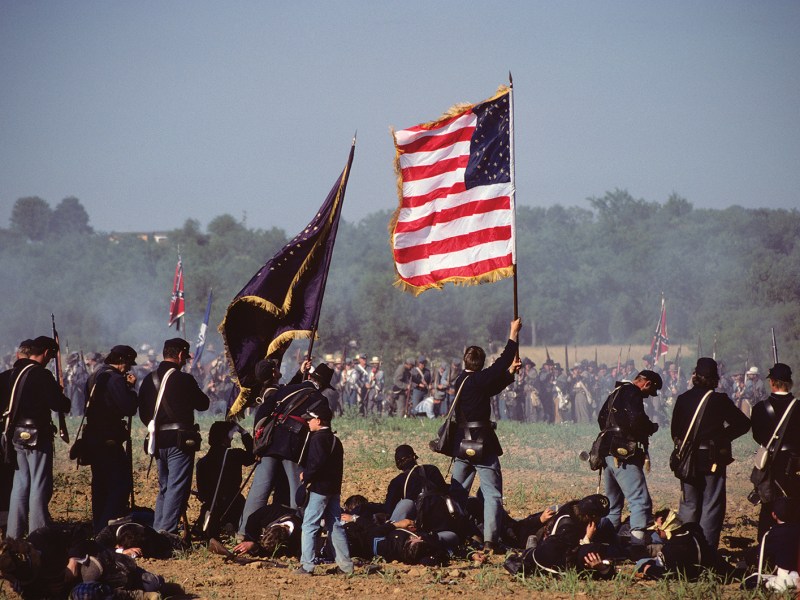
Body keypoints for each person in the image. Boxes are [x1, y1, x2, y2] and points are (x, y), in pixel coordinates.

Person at [448, 318, 522, 553]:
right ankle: (490, 540)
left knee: (457, 492)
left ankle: (454, 533)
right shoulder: (478, 379)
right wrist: (513, 334)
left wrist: (510, 373)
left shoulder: (464, 380)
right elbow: (499, 364)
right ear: (481, 364)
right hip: (482, 442)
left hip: (462, 443)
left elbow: (490, 388)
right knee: (492, 494)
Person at [236, 361, 328, 541]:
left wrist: (258, 443)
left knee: (259, 490)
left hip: (270, 444)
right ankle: (299, 532)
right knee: (297, 493)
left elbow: (263, 412)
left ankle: (244, 533)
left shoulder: (287, 390)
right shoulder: (319, 398)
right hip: (293, 446)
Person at [670, 357, 751, 551]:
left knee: (689, 504)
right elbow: (743, 424)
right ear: (715, 378)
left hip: (688, 459)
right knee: (711, 505)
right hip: (712, 458)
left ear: (695, 376)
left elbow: (675, 431)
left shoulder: (683, 399)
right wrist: (721, 437)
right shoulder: (720, 400)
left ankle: (686, 549)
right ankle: (705, 552)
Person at [2, 337, 71, 540]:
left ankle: (13, 535)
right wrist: (59, 393)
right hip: (37, 435)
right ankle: (37, 534)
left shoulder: (14, 373)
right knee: (39, 484)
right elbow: (60, 405)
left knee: (20, 483)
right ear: (47, 352)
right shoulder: (41, 374)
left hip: (16, 434)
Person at [138, 338, 209, 534]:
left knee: (165, 486)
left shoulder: (148, 379)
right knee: (176, 487)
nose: (185, 361)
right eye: (184, 357)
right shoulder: (184, 379)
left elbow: (144, 413)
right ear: (179, 355)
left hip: (158, 440)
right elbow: (204, 403)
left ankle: (158, 529)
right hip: (180, 440)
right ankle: (166, 533)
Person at [596, 369, 661, 547]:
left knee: (613, 507)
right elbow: (636, 421)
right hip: (623, 454)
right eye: (649, 391)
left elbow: (601, 418)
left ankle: (603, 542)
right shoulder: (633, 392)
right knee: (640, 500)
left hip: (607, 454)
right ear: (647, 384)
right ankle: (638, 546)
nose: (648, 396)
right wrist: (650, 427)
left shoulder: (616, 391)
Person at [83, 345, 139, 533]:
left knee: (100, 484)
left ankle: (99, 525)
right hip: (109, 439)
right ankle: (107, 525)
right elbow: (128, 408)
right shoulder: (115, 379)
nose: (128, 369)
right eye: (128, 364)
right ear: (122, 361)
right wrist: (131, 389)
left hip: (93, 437)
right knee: (120, 483)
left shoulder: (95, 376)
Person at [294, 404, 353, 575]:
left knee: (309, 525)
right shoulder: (336, 440)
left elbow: (316, 464)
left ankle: (307, 565)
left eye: (309, 420)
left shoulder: (317, 439)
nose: (307, 423)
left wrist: (306, 475)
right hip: (333, 489)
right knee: (335, 525)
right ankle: (345, 566)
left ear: (318, 421)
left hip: (319, 489)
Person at [750, 362, 800, 540]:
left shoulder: (758, 409)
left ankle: (766, 551)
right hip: (795, 464)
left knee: (768, 507)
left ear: (771, 382)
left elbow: (757, 436)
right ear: (790, 383)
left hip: (770, 464)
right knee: (795, 506)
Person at [195, 421, 256, 538]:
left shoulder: (201, 463)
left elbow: (202, 494)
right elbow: (252, 455)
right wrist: (243, 432)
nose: (232, 439)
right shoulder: (234, 455)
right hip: (234, 504)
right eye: (231, 436)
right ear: (225, 438)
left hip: (211, 506)